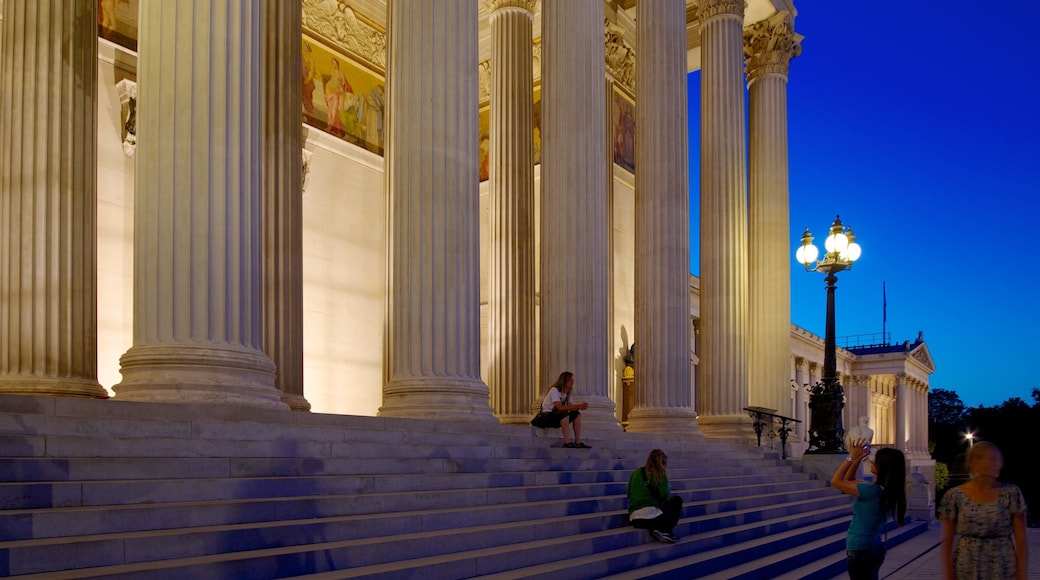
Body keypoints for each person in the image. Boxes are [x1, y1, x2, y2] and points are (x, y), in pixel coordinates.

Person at [938, 441, 1028, 580]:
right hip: (966, 567)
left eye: (994, 459)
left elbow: (1021, 539)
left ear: (1000, 463)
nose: (989, 463)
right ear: (972, 462)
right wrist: (948, 573)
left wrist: (1022, 573)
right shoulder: (954, 496)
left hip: (1003, 567)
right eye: (983, 458)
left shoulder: (1011, 493)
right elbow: (947, 539)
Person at [831, 438, 906, 580]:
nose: (871, 461)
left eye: (875, 460)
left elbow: (837, 481)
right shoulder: (884, 490)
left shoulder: (873, 491)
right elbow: (850, 479)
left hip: (861, 550)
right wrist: (858, 459)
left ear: (882, 466)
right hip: (873, 547)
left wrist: (851, 457)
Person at [627, 449, 683, 543]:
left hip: (635, 518)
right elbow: (665, 496)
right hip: (653, 518)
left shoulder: (636, 472)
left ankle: (661, 530)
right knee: (677, 501)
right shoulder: (660, 474)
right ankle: (665, 530)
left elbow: (629, 493)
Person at [536, 371, 589, 448]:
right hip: (546, 418)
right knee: (564, 413)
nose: (572, 381)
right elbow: (560, 407)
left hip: (556, 417)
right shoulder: (555, 390)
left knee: (576, 414)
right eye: (570, 379)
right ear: (564, 380)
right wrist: (579, 405)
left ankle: (578, 442)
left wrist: (580, 407)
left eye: (573, 380)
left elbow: (570, 407)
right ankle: (567, 442)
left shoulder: (568, 392)